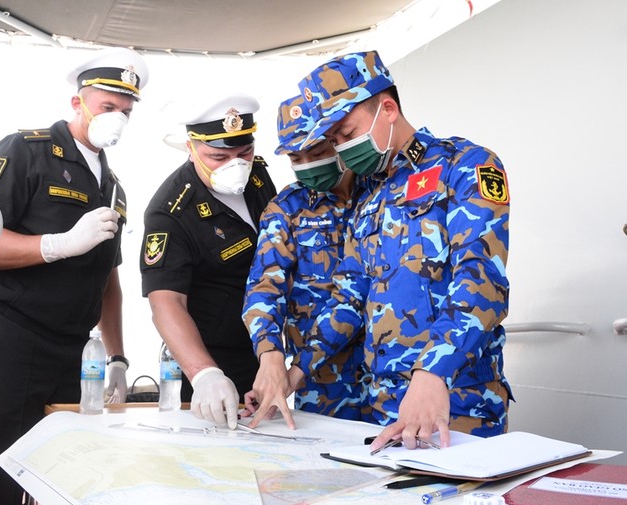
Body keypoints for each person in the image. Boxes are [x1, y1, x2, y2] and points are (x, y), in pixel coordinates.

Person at [249, 50, 513, 449]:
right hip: (383, 407)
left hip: (456, 401)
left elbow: (482, 282)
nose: (339, 148)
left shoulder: (464, 166)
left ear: (387, 109)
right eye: (333, 141)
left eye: (344, 133)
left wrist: (432, 374)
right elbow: (349, 298)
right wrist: (294, 373)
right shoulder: (372, 195)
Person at [0, 47, 148, 505]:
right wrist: (55, 244)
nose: (117, 119)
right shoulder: (26, 150)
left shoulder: (114, 185)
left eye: (126, 111)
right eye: (107, 107)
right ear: (77, 102)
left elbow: (108, 280)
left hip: (76, 353)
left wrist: (118, 357)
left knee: (65, 483)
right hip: (12, 340)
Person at [140, 94, 277, 429]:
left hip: (264, 350)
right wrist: (204, 373)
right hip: (208, 358)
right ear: (191, 148)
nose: (236, 164)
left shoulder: (256, 177)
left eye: (244, 152)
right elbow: (166, 302)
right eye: (218, 156)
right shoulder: (171, 210)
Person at [242, 95, 367, 423]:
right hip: (322, 384)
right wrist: (270, 358)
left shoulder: (379, 194)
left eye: (317, 152)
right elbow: (264, 286)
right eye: (296, 157)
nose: (308, 164)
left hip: (390, 379)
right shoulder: (287, 208)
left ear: (338, 141)